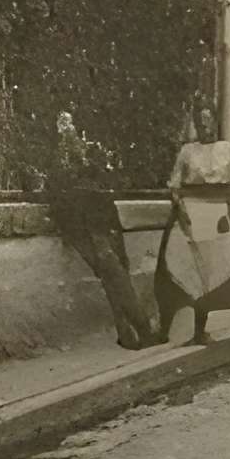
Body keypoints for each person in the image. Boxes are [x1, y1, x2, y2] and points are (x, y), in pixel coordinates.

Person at [39, 111, 155, 350]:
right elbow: (61, 190)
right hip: (83, 224)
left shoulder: (88, 150)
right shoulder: (59, 158)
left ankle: (126, 331)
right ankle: (142, 328)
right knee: (115, 273)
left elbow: (103, 180)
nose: (67, 129)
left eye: (70, 123)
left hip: (100, 218)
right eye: (63, 124)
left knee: (115, 272)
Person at [153, 103, 230, 345]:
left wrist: (227, 214)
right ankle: (166, 329)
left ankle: (200, 329)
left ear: (215, 121)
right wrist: (182, 213)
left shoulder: (229, 150)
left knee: (212, 271)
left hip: (217, 214)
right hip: (189, 213)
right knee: (178, 264)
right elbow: (174, 184)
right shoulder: (187, 151)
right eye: (200, 122)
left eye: (208, 121)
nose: (205, 127)